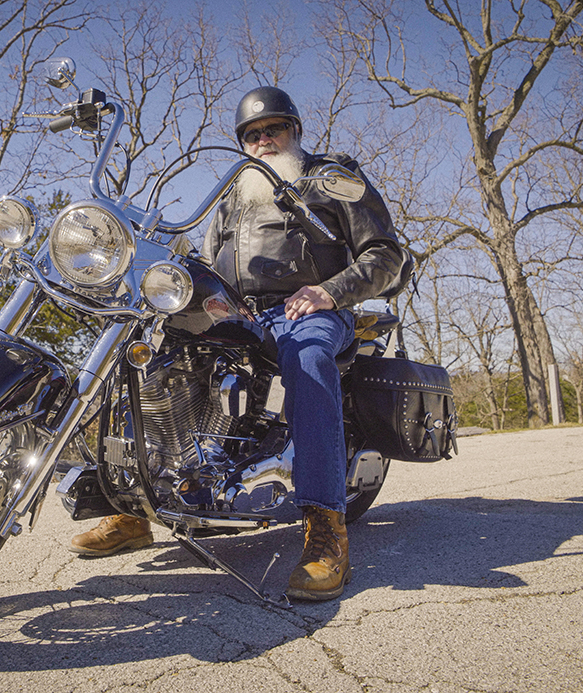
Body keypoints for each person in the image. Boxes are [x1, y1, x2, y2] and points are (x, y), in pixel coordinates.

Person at [70, 86, 405, 601]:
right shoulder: (232, 196)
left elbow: (384, 255)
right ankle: (133, 509)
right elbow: (206, 263)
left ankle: (325, 527)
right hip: (239, 313)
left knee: (310, 356)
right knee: (145, 353)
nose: (263, 139)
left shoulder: (331, 179)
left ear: (294, 131)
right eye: (252, 134)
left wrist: (329, 291)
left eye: (273, 129)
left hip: (309, 309)